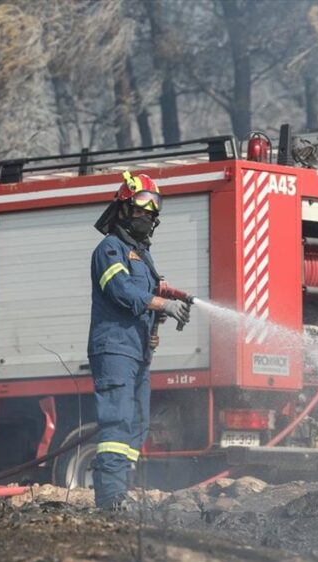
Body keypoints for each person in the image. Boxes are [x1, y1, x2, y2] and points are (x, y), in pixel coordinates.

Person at [88, 171, 190, 510]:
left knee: (138, 425)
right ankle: (110, 497)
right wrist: (162, 303)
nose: (147, 215)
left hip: (138, 351)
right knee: (117, 420)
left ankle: (120, 491)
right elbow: (121, 290)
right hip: (115, 348)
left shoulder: (142, 257)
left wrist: (168, 297)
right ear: (123, 209)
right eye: (140, 207)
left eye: (153, 209)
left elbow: (148, 289)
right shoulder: (110, 249)